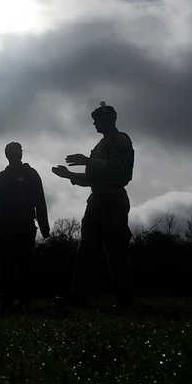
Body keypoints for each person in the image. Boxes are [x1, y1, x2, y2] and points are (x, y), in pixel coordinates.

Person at [53, 102, 134, 307]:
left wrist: (87, 161)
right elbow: (93, 179)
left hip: (113, 202)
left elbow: (119, 172)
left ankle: (124, 300)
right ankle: (78, 297)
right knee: (86, 251)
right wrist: (69, 175)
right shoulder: (100, 145)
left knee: (116, 251)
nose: (95, 124)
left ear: (109, 120)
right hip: (96, 202)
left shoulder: (121, 140)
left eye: (97, 120)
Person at [0, 141, 50, 312]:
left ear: (20, 154)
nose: (14, 154)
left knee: (25, 265)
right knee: (6, 266)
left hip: (25, 227)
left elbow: (40, 202)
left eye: (17, 151)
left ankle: (25, 301)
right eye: (12, 151)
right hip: (6, 228)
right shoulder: (2, 177)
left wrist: (44, 228)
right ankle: (8, 301)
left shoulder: (31, 174)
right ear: (7, 155)